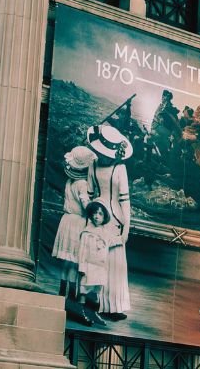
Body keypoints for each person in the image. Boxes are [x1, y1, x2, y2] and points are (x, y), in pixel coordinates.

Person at [87, 122, 133, 320]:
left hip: (115, 222)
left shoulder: (120, 168)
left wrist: (126, 229)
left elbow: (125, 200)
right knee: (98, 262)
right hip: (98, 219)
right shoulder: (93, 164)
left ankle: (114, 306)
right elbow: (89, 195)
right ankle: (95, 302)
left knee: (116, 265)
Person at [52, 145, 96, 298]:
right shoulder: (82, 184)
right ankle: (71, 296)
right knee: (74, 262)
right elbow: (85, 203)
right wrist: (94, 208)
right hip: (77, 223)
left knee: (66, 261)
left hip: (67, 221)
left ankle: (61, 292)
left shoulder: (69, 181)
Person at [75, 200, 117, 328]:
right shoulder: (87, 233)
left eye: (100, 214)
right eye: (95, 213)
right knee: (84, 289)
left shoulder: (105, 234)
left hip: (100, 267)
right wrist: (81, 267)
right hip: (88, 266)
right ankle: (81, 311)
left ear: (104, 217)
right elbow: (82, 250)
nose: (97, 216)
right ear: (91, 215)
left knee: (95, 291)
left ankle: (92, 312)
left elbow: (109, 247)